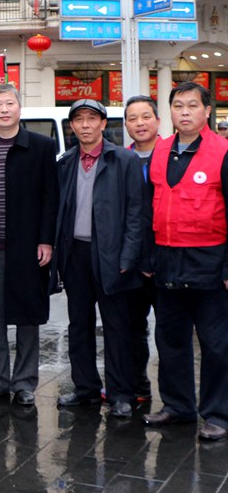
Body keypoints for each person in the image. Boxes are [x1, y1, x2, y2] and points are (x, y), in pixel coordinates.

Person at [143, 82, 228, 442]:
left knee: (216, 344)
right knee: (170, 340)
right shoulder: (161, 150)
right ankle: (178, 406)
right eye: (178, 106)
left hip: (209, 261)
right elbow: (150, 205)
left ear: (206, 111)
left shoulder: (222, 151)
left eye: (193, 105)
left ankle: (218, 414)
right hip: (167, 260)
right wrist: (148, 256)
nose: (185, 112)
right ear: (171, 112)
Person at [54, 98, 144, 419]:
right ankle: (85, 388)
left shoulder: (124, 160)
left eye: (92, 118)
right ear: (73, 126)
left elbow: (137, 213)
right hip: (75, 254)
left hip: (111, 255)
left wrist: (128, 257)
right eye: (79, 120)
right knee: (79, 325)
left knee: (117, 326)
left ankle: (121, 393)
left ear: (104, 124)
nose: (85, 125)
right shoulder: (65, 162)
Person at [0, 84, 57, 407]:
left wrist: (46, 239)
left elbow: (51, 197)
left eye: (9, 103)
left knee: (27, 316)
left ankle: (24, 382)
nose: (4, 110)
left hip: (28, 246)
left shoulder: (41, 147)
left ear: (19, 108)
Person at [124, 94, 161, 402]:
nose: (139, 123)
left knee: (170, 332)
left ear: (157, 120)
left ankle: (179, 397)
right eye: (133, 118)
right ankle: (138, 388)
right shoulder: (122, 159)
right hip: (132, 262)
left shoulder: (171, 155)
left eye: (145, 116)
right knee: (132, 329)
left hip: (167, 260)